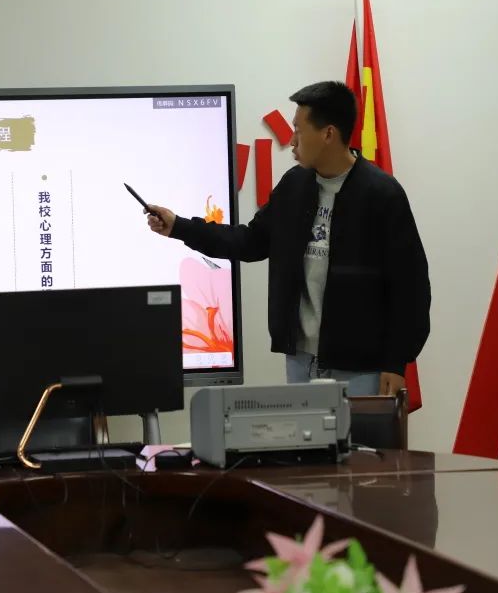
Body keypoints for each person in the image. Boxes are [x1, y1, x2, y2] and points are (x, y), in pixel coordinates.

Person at [146, 80, 430, 397]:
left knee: (361, 435)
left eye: (298, 129)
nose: (292, 140)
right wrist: (179, 227)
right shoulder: (294, 185)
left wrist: (396, 362)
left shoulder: (382, 194)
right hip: (300, 362)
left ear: (328, 134)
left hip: (362, 369)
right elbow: (250, 241)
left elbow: (411, 287)